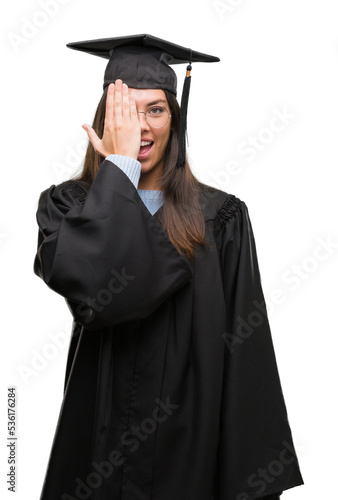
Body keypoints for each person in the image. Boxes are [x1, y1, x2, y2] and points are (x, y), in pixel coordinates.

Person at [34, 34, 304, 500]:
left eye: (155, 109)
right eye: (125, 110)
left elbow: (248, 353)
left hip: (191, 451)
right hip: (96, 450)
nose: (140, 126)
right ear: (104, 120)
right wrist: (118, 168)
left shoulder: (221, 219)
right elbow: (105, 295)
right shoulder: (68, 207)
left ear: (175, 120)